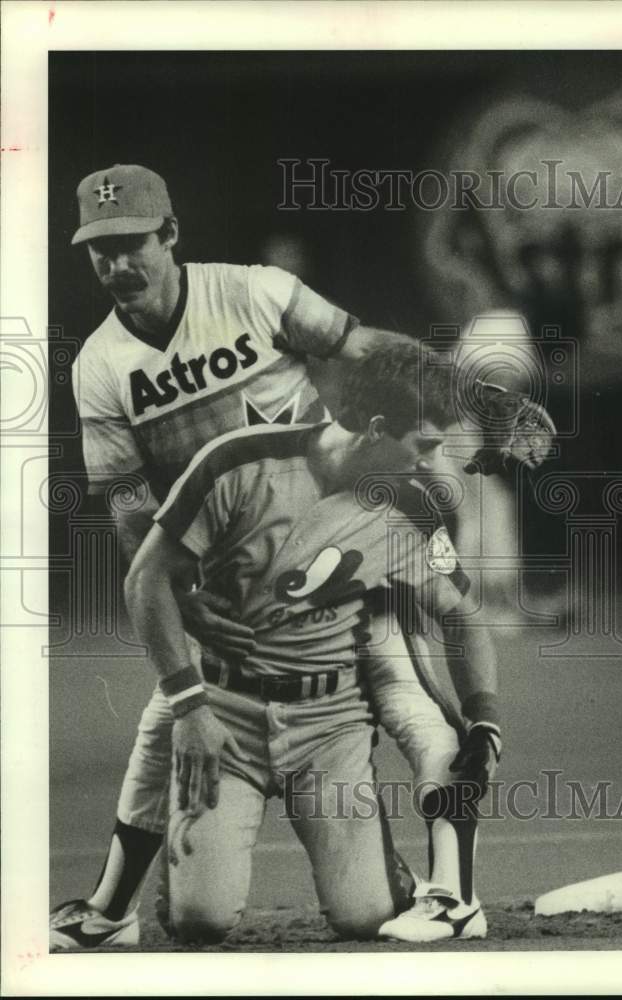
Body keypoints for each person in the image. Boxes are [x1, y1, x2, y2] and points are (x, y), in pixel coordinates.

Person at [50, 165, 549, 948]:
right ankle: (114, 910)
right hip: (222, 561)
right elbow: (126, 512)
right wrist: (185, 618)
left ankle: (450, 892)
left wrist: (472, 399)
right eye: (99, 250)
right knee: (176, 734)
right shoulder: (102, 367)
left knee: (416, 700)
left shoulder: (256, 293)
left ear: (171, 235)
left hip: (337, 562)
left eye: (131, 244)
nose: (116, 264)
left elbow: (370, 347)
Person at [123, 344, 501, 943]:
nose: (432, 462)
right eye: (424, 444)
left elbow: (462, 614)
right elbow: (146, 580)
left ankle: (388, 881)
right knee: (200, 920)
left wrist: (485, 719)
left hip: (330, 724)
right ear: (376, 429)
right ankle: (171, 876)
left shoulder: (412, 505)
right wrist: (189, 707)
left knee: (367, 918)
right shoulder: (238, 463)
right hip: (224, 712)